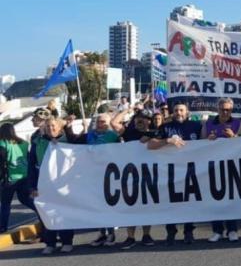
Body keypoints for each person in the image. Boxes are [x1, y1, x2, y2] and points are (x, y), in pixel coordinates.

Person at [65, 113, 120, 247]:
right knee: (96, 205)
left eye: (103, 122)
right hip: (91, 175)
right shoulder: (89, 135)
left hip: (108, 174)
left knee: (108, 204)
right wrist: (68, 127)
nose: (101, 124)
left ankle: (111, 233)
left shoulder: (114, 136)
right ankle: (102, 233)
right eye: (98, 122)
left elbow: (122, 151)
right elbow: (73, 140)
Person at [150, 103, 202, 245]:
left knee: (189, 202)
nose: (179, 113)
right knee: (170, 202)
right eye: (176, 110)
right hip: (170, 171)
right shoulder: (166, 127)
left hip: (190, 170)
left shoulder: (196, 126)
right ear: (172, 113)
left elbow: (206, 143)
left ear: (187, 112)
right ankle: (171, 232)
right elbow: (151, 145)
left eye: (181, 110)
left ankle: (188, 231)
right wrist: (167, 140)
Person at [112, 108, 160, 249]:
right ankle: (130, 237)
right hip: (130, 175)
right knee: (130, 206)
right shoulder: (128, 132)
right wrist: (126, 109)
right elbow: (114, 123)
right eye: (137, 117)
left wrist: (151, 138)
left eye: (143, 118)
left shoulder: (154, 132)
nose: (140, 120)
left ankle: (146, 235)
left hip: (148, 174)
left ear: (149, 121)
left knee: (146, 206)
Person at [203, 98, 241, 243]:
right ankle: (217, 230)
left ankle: (232, 229)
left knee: (231, 199)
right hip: (212, 166)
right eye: (222, 109)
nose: (225, 112)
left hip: (232, 166)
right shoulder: (208, 124)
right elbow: (198, 145)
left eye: (228, 109)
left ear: (232, 110)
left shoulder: (238, 123)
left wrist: (234, 137)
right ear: (218, 109)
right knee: (214, 199)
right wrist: (207, 141)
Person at [29, 117, 75, 255]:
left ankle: (67, 242)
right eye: (48, 126)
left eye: (53, 126)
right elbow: (31, 167)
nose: (51, 129)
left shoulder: (69, 141)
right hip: (44, 186)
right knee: (47, 215)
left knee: (64, 214)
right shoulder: (38, 143)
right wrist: (32, 187)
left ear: (60, 127)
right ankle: (50, 243)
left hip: (64, 186)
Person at [0, 124, 37, 233]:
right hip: (24, 177)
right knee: (26, 199)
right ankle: (42, 213)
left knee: (5, 204)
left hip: (10, 179)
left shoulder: (2, 143)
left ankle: (2, 227)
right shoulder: (23, 143)